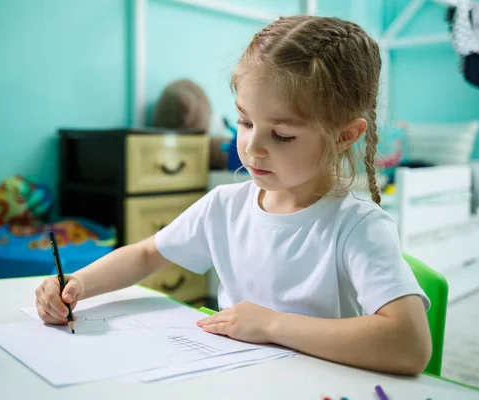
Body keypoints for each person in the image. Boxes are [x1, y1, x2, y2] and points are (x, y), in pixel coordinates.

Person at [35, 16, 432, 376]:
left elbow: (410, 344)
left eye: (282, 135)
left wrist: (272, 325)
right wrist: (77, 284)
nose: (252, 147)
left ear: (345, 135)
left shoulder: (357, 226)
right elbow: (145, 254)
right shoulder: (225, 206)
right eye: (244, 121)